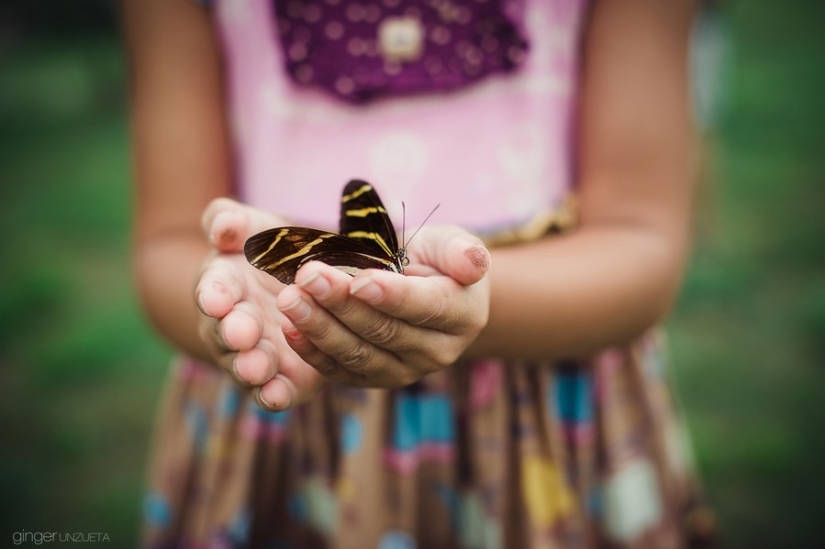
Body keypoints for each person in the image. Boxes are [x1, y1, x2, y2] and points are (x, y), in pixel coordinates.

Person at [124, 0, 716, 546]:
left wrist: (465, 297)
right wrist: (230, 303)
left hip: (550, 411)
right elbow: (167, 244)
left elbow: (644, 239)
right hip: (280, 397)